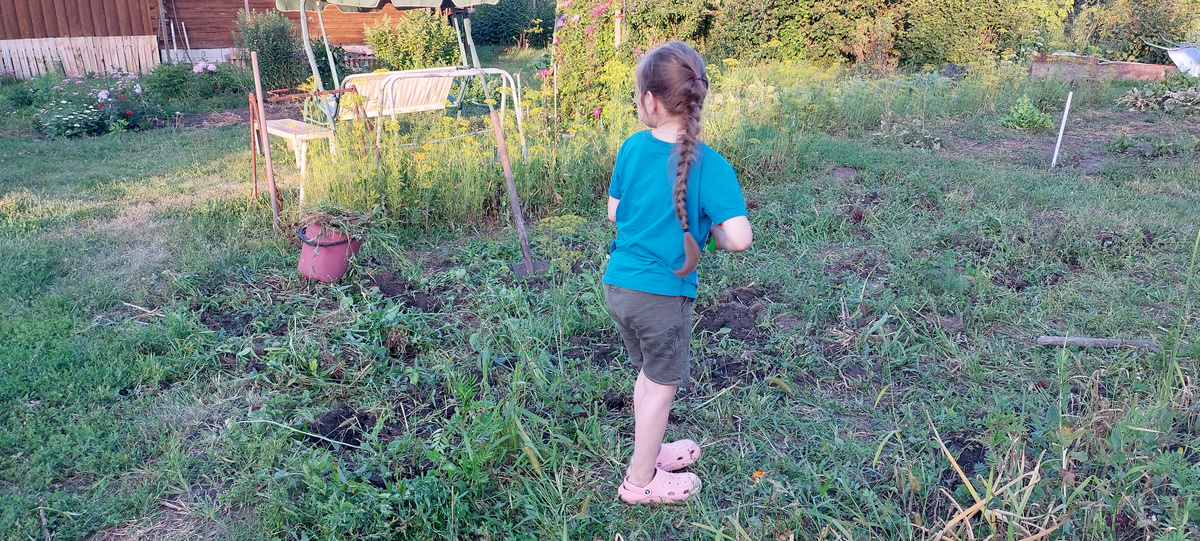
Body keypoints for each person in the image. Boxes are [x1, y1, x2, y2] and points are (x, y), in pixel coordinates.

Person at [604, 41, 753, 504]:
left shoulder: (632, 147)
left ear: (650, 100)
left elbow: (614, 213)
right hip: (662, 298)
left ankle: (649, 452)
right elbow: (739, 237)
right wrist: (714, 234)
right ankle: (640, 482)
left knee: (648, 378)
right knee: (661, 389)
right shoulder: (712, 165)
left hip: (619, 287)